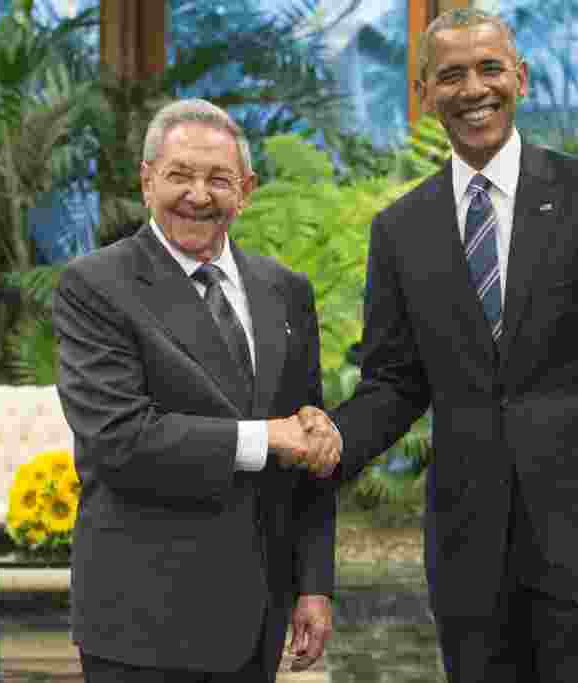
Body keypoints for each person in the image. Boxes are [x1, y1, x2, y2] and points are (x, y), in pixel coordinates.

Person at [299, 8, 578, 682]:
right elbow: (395, 382)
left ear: (520, 78)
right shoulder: (400, 229)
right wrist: (331, 437)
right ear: (424, 93)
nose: (474, 88)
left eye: (489, 68)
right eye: (451, 75)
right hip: (469, 554)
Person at [53, 98, 338, 683]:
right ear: (147, 181)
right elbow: (119, 438)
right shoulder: (95, 286)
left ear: (246, 190)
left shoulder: (285, 290)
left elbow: (307, 445)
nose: (198, 195)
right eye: (179, 175)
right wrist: (266, 438)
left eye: (219, 179)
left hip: (257, 616)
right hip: (143, 620)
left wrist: (313, 584)